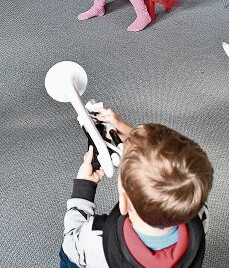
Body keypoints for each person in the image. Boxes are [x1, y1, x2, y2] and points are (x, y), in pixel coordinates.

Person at [60, 106, 213, 268]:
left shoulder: (98, 239)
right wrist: (132, 135)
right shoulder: (198, 211)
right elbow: (171, 171)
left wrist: (83, 188)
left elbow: (71, 244)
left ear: (124, 203)